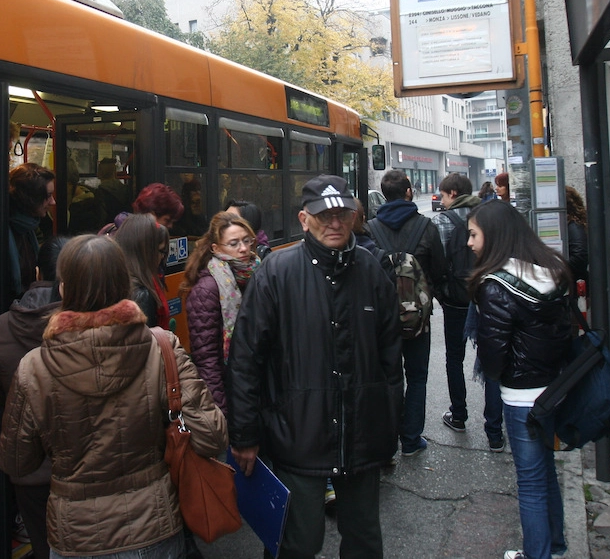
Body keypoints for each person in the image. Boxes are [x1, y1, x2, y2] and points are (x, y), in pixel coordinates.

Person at [0, 235, 227, 559]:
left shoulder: (33, 368)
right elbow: (213, 435)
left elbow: (16, 462)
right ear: (125, 285)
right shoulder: (163, 348)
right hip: (154, 530)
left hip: (74, 538)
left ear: (63, 289)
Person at [228, 174, 403, 559]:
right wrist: (244, 434)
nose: (335, 223)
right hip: (297, 435)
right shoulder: (276, 272)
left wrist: (389, 422)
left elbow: (391, 357)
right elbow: (245, 359)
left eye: (343, 213)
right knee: (298, 542)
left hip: (361, 435)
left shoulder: (371, 271)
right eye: (325, 216)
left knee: (364, 540)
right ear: (304, 219)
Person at [467, 199, 574, 559]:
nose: (469, 243)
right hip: (556, 389)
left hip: (521, 398)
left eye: (473, 234)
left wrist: (496, 374)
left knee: (530, 482)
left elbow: (493, 356)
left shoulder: (496, 285)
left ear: (493, 236)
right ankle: (554, 545)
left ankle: (537, 554)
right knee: (546, 473)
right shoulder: (551, 270)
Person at [0, 236, 68, 555]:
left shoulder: (0, 328)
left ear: (35, 271)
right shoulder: (92, 324)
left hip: (30, 472)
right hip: (79, 465)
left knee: (44, 545)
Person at [365, 169, 447, 457]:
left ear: (385, 194)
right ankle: (411, 439)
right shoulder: (426, 227)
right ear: (409, 192)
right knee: (417, 377)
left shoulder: (370, 228)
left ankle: (385, 446)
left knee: (386, 379)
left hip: (381, 319)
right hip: (418, 320)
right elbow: (439, 270)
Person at [432, 173, 504, 451]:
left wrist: (442, 292)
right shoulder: (486, 216)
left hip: (455, 301)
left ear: (452, 192)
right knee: (492, 362)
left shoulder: (442, 221)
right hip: (487, 296)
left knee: (454, 358)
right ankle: (495, 432)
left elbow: (437, 263)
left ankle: (459, 414)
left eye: (443, 194)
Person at [182, 211, 260, 414]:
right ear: (216, 248)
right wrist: (221, 411)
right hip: (231, 389)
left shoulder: (259, 274)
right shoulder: (207, 288)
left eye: (247, 241)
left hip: (256, 384)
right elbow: (206, 358)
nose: (243, 249)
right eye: (234, 244)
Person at [113, 213, 172, 329]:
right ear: (142, 252)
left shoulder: (113, 281)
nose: (162, 258)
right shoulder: (143, 294)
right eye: (160, 251)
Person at [8, 163, 55, 301]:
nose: (53, 202)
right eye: (48, 196)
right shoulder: (8, 234)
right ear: (31, 199)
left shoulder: (28, 228)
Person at [564, 186, 589, 286]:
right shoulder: (576, 224)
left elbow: (580, 256)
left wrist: (557, 268)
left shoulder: (574, 226)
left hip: (575, 282)